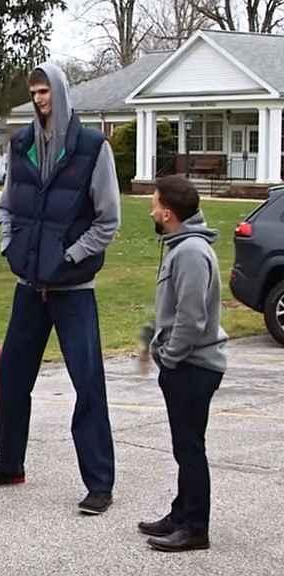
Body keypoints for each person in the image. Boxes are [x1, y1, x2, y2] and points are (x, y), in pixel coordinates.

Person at [0, 62, 121, 516]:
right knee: (11, 379)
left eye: (45, 91)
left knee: (88, 386)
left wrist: (69, 256)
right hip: (28, 286)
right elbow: (5, 206)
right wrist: (10, 247)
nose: (39, 100)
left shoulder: (93, 149)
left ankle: (100, 484)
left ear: (60, 92)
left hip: (74, 291)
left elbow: (108, 220)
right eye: (33, 92)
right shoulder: (22, 144)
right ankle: (9, 465)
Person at [139, 175, 228, 552]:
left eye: (155, 202)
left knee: (190, 448)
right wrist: (153, 342)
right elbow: (171, 312)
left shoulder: (190, 253)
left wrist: (170, 358)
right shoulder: (181, 245)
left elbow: (191, 318)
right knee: (185, 446)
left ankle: (195, 529)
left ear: (169, 213)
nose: (151, 208)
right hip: (186, 365)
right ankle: (181, 513)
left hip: (193, 366)